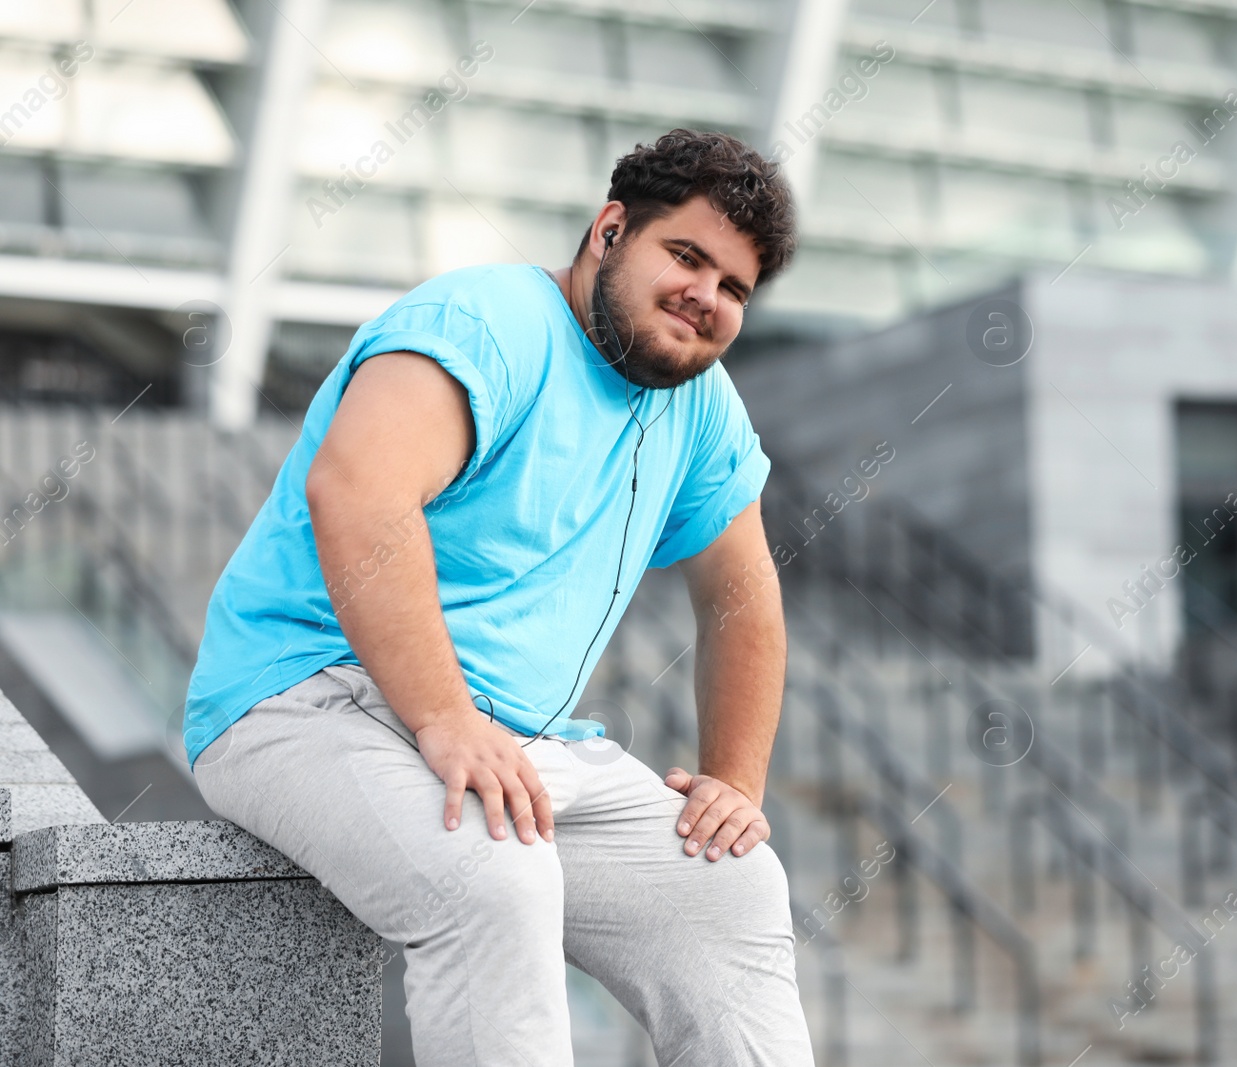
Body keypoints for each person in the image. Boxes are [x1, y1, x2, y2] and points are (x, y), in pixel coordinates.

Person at [184, 128, 812, 1067]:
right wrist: (444, 717)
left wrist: (734, 783)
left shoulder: (703, 405)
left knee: (729, 887)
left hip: (520, 741)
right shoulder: (484, 322)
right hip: (302, 697)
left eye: (734, 288)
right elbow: (356, 494)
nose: (705, 297)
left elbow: (745, 596)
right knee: (493, 876)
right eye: (686, 256)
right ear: (610, 231)